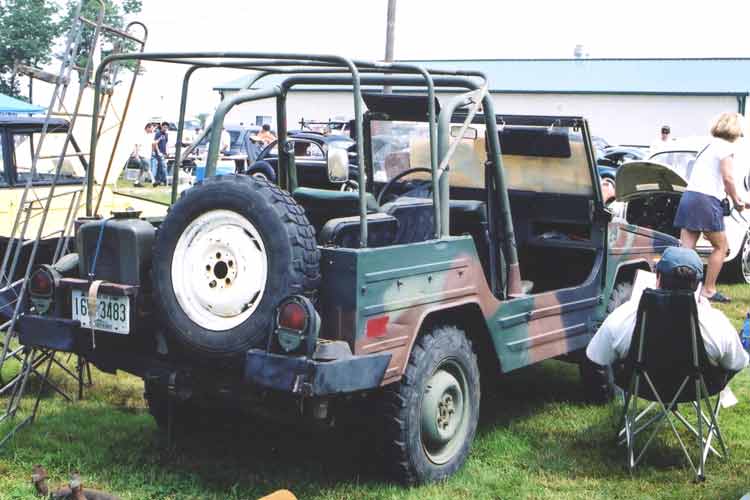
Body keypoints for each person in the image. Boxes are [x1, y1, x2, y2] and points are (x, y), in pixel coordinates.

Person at [586, 247, 749, 374]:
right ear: (698, 284)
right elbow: (737, 363)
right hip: (696, 389)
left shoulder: (623, 316)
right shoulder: (717, 323)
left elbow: (597, 357)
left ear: (657, 278)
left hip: (642, 387)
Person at [673, 112, 747, 303]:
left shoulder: (707, 145)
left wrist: (735, 199)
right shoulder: (726, 147)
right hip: (706, 201)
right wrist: (737, 201)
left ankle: (681, 290)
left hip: (689, 197)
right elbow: (728, 178)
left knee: (687, 249)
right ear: (735, 129)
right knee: (721, 247)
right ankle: (708, 290)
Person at [152, 122, 169, 186]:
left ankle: (158, 180)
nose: (165, 128)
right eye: (164, 127)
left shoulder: (166, 134)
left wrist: (167, 151)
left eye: (166, 127)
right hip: (158, 153)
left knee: (160, 167)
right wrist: (158, 152)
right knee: (164, 166)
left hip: (164, 152)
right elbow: (155, 143)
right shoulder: (158, 133)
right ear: (161, 127)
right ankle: (165, 181)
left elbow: (166, 143)